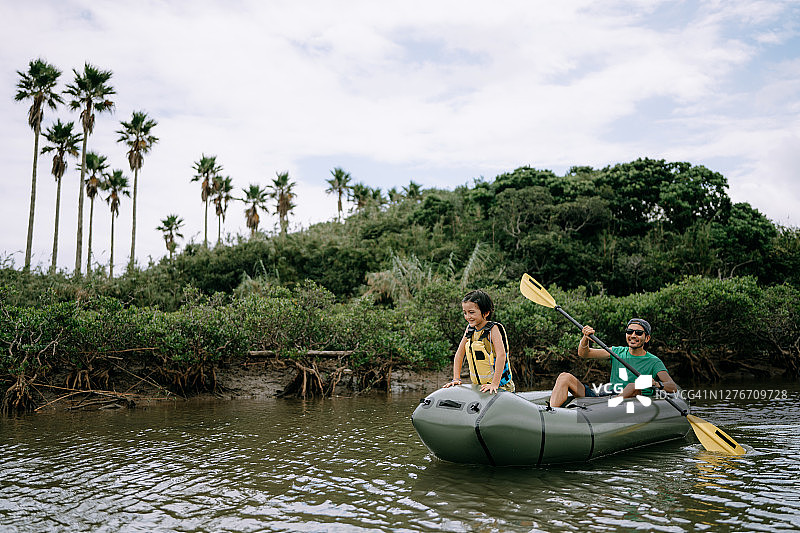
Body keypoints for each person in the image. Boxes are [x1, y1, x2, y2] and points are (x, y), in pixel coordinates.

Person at [549, 318, 677, 407]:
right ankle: (552, 413)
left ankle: (609, 406)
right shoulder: (617, 351)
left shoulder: (654, 361)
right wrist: (585, 338)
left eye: (638, 333)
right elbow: (584, 353)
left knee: (633, 386)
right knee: (564, 377)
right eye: (629, 332)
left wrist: (656, 383)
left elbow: (672, 387)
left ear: (647, 338)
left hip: (632, 401)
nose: (633, 335)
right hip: (608, 397)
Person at [442, 290, 515, 393]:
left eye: (471, 312)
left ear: (486, 313)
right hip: (480, 387)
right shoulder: (470, 329)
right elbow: (459, 354)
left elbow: (501, 355)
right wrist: (456, 379)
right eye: (465, 313)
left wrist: (495, 384)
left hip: (501, 388)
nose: (468, 317)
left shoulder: (493, 329)